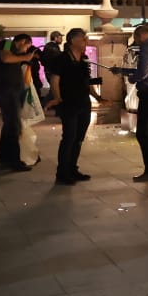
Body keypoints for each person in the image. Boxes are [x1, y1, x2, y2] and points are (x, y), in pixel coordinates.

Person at [115, 25, 148, 182]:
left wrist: (132, 79)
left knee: (143, 134)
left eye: (136, 39)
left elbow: (143, 73)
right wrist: (123, 71)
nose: (136, 42)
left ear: (139, 36)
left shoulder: (146, 47)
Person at [46, 28, 97, 185]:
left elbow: (87, 81)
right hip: (68, 103)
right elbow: (54, 80)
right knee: (69, 137)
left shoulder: (84, 58)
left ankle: (72, 168)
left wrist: (97, 97)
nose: (86, 42)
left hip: (84, 102)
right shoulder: (61, 59)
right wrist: (57, 98)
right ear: (73, 40)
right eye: (83, 39)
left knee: (79, 138)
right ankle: (62, 172)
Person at [0, 33, 39, 172]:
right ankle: (14, 160)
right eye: (27, 46)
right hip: (7, 92)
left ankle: (5, 159)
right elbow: (5, 58)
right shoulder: (7, 43)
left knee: (10, 126)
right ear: (23, 41)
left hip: (12, 92)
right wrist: (25, 57)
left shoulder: (15, 53)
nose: (26, 50)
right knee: (13, 126)